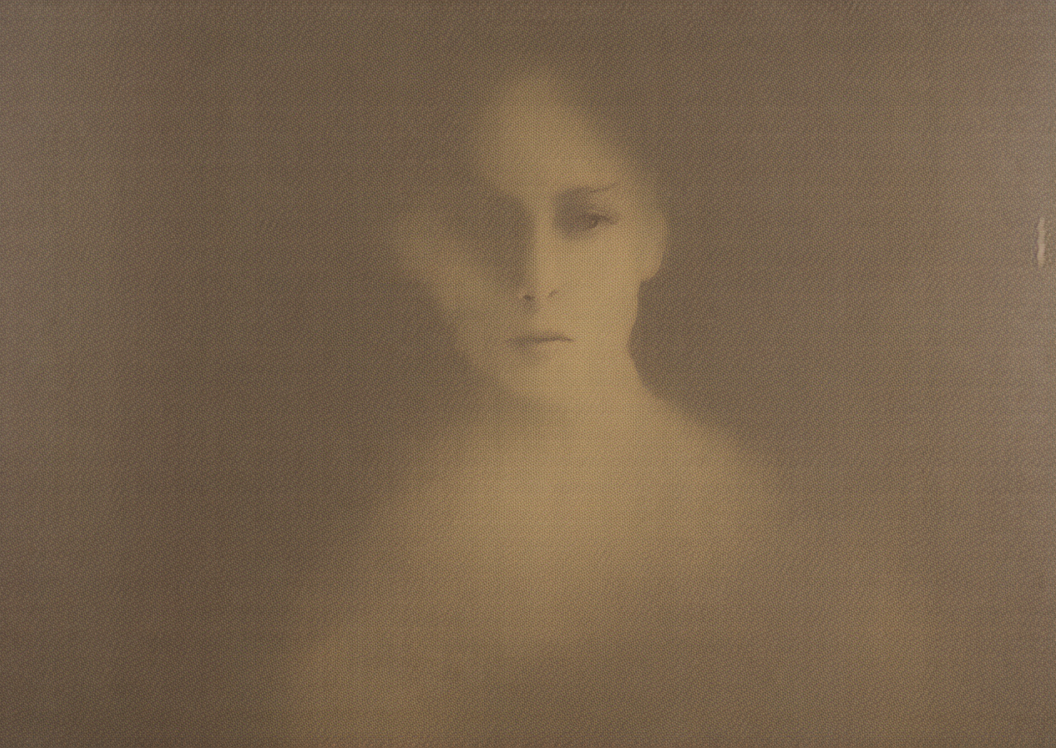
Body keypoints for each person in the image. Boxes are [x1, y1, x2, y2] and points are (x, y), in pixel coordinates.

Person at [271, 52, 943, 744]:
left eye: (586, 220)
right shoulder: (361, 560)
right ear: (422, 245)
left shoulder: (787, 545)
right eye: (487, 221)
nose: (536, 277)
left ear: (653, 235)